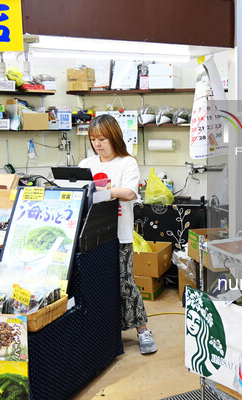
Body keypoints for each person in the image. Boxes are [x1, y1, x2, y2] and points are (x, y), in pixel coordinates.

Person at [78, 114, 157, 355]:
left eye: (102, 138)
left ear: (114, 137)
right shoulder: (85, 164)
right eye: (93, 139)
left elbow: (130, 193)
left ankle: (143, 330)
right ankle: (103, 331)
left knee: (125, 283)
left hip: (119, 235)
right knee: (95, 285)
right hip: (90, 235)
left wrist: (100, 190)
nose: (97, 144)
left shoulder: (127, 163)